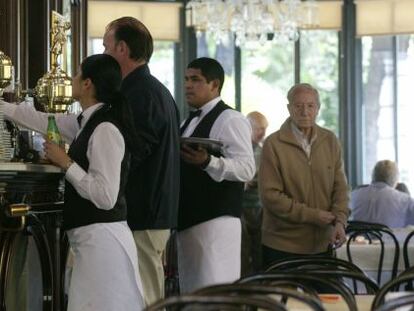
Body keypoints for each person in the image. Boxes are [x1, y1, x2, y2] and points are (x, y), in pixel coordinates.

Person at [2, 54, 144, 310]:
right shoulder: (86, 122)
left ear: (88, 84)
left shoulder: (105, 130)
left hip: (104, 240)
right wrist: (3, 107)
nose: (73, 79)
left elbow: (105, 196)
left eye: (77, 74)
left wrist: (65, 163)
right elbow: (42, 121)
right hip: (92, 240)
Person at [103, 17, 180, 305]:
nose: (103, 54)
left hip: (144, 211)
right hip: (148, 210)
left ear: (122, 48)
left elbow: (133, 151)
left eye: (106, 46)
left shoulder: (141, 93)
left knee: (145, 295)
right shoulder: (148, 89)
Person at [177, 57, 255, 293]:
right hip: (189, 221)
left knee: (215, 295)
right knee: (193, 296)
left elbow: (246, 168)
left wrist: (209, 162)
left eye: (196, 80)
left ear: (215, 85)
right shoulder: (187, 120)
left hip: (217, 223)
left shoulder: (231, 119)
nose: (188, 85)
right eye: (187, 79)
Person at [259, 83, 349, 267]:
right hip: (281, 245)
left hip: (323, 245)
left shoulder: (330, 140)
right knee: (282, 297)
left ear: (318, 109)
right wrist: (313, 215)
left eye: (310, 106)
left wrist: (340, 221)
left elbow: (341, 188)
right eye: (298, 106)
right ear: (289, 108)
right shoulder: (273, 144)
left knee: (327, 296)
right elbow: (270, 196)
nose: (304, 112)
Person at [241, 111, 268, 276]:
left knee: (259, 251)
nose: (263, 133)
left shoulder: (264, 151)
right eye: (259, 129)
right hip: (239, 208)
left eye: (265, 129)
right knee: (242, 253)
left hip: (260, 207)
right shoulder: (238, 148)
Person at [350, 160, 414, 228]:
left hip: (356, 238)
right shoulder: (405, 201)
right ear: (395, 181)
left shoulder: (352, 196)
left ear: (373, 176)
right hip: (390, 238)